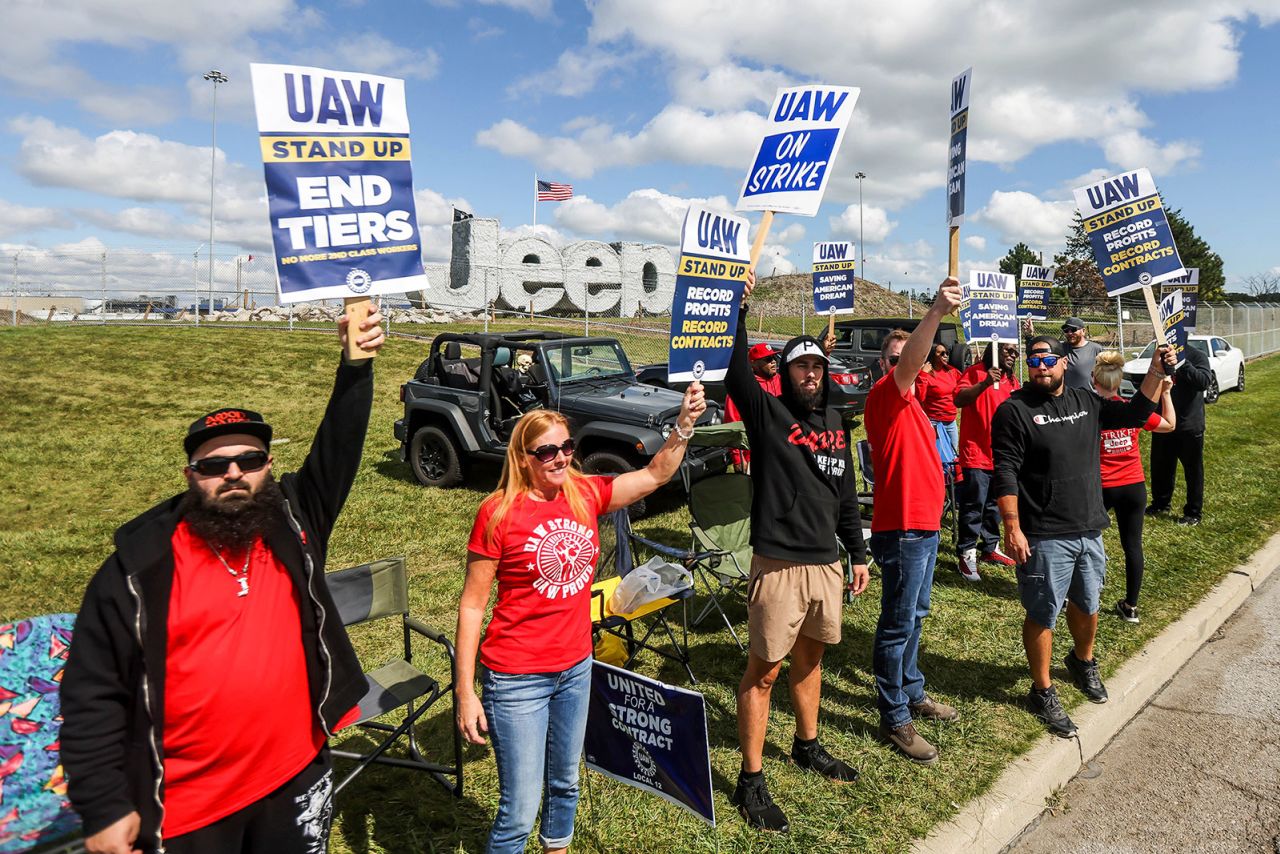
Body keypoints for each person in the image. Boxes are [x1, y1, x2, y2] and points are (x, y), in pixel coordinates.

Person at [62, 312, 387, 854]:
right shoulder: (139, 566)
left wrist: (355, 366)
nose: (234, 472)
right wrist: (103, 805)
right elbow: (90, 690)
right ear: (190, 475)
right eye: (215, 465)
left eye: (249, 459)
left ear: (267, 466)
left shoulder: (292, 521)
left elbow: (339, 445)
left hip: (297, 777)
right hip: (189, 809)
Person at [454, 383, 706, 854]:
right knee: (519, 810)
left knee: (566, 783)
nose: (560, 457)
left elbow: (654, 474)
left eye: (566, 447)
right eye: (546, 450)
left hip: (575, 667)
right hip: (516, 676)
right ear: (523, 457)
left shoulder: (585, 493)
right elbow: (472, 606)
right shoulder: (497, 512)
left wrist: (684, 426)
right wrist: (466, 692)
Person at [724, 272, 869, 832]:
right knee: (763, 672)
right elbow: (737, 374)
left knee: (811, 660)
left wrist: (856, 554)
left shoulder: (836, 422)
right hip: (779, 564)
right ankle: (751, 780)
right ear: (784, 376)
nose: (809, 374)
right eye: (798, 367)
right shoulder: (768, 416)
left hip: (826, 564)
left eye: (816, 367)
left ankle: (807, 746)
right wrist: (739, 311)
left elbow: (845, 495)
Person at [992, 336, 1174, 738]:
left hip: (1089, 526)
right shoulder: (1014, 411)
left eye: (1049, 359)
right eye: (1034, 359)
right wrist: (1012, 525)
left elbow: (1138, 412)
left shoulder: (1086, 402)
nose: (1041, 365)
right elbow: (1004, 469)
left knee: (1088, 602)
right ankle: (1041, 690)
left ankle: (1082, 660)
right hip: (1042, 533)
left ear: (1063, 364)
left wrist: (1158, 372)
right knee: (1042, 613)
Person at [864, 277, 963, 766]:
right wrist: (936, 313)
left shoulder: (917, 408)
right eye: (906, 359)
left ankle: (912, 689)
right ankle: (895, 715)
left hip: (924, 526)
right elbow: (911, 360)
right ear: (888, 365)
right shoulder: (886, 395)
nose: (917, 365)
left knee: (915, 616)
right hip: (902, 529)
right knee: (897, 623)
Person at [1092, 352, 1175, 623]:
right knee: (1133, 546)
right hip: (1132, 486)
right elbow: (1169, 425)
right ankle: (1131, 607)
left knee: (1086, 541)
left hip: (1102, 486)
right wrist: (1165, 394)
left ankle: (1079, 594)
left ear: (1095, 379)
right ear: (1119, 380)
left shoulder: (1092, 413)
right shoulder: (1131, 411)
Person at [952, 341, 1020, 582]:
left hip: (1001, 457)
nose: (1012, 355)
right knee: (974, 506)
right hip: (976, 453)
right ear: (994, 350)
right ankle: (966, 552)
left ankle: (990, 547)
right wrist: (984, 383)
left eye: (1015, 352)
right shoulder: (975, 372)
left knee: (994, 505)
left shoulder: (1013, 381)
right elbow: (959, 399)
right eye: (1007, 350)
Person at [1147, 341, 1213, 526]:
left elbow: (1203, 382)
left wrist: (1182, 363)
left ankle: (1193, 512)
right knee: (1161, 467)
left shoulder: (1196, 355)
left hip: (1189, 425)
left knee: (1193, 471)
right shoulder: (1159, 358)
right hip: (1163, 423)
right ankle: (1160, 503)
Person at [724, 341, 781, 469]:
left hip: (782, 453)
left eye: (774, 357)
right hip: (755, 458)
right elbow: (732, 425)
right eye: (767, 359)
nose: (773, 362)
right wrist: (738, 459)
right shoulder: (743, 388)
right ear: (754, 363)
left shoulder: (782, 381)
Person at [914, 342, 963, 469]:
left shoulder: (951, 371)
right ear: (932, 355)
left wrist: (976, 365)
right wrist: (923, 374)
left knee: (952, 457)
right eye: (941, 353)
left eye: (947, 353)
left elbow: (966, 382)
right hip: (935, 423)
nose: (945, 355)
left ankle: (950, 485)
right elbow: (919, 397)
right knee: (938, 458)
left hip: (951, 421)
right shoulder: (926, 373)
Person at [1060, 316, 1104, 389]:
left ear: (1083, 331)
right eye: (1066, 330)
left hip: (1089, 397)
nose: (1070, 333)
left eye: (1073, 330)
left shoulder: (1096, 349)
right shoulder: (1060, 348)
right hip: (1067, 397)